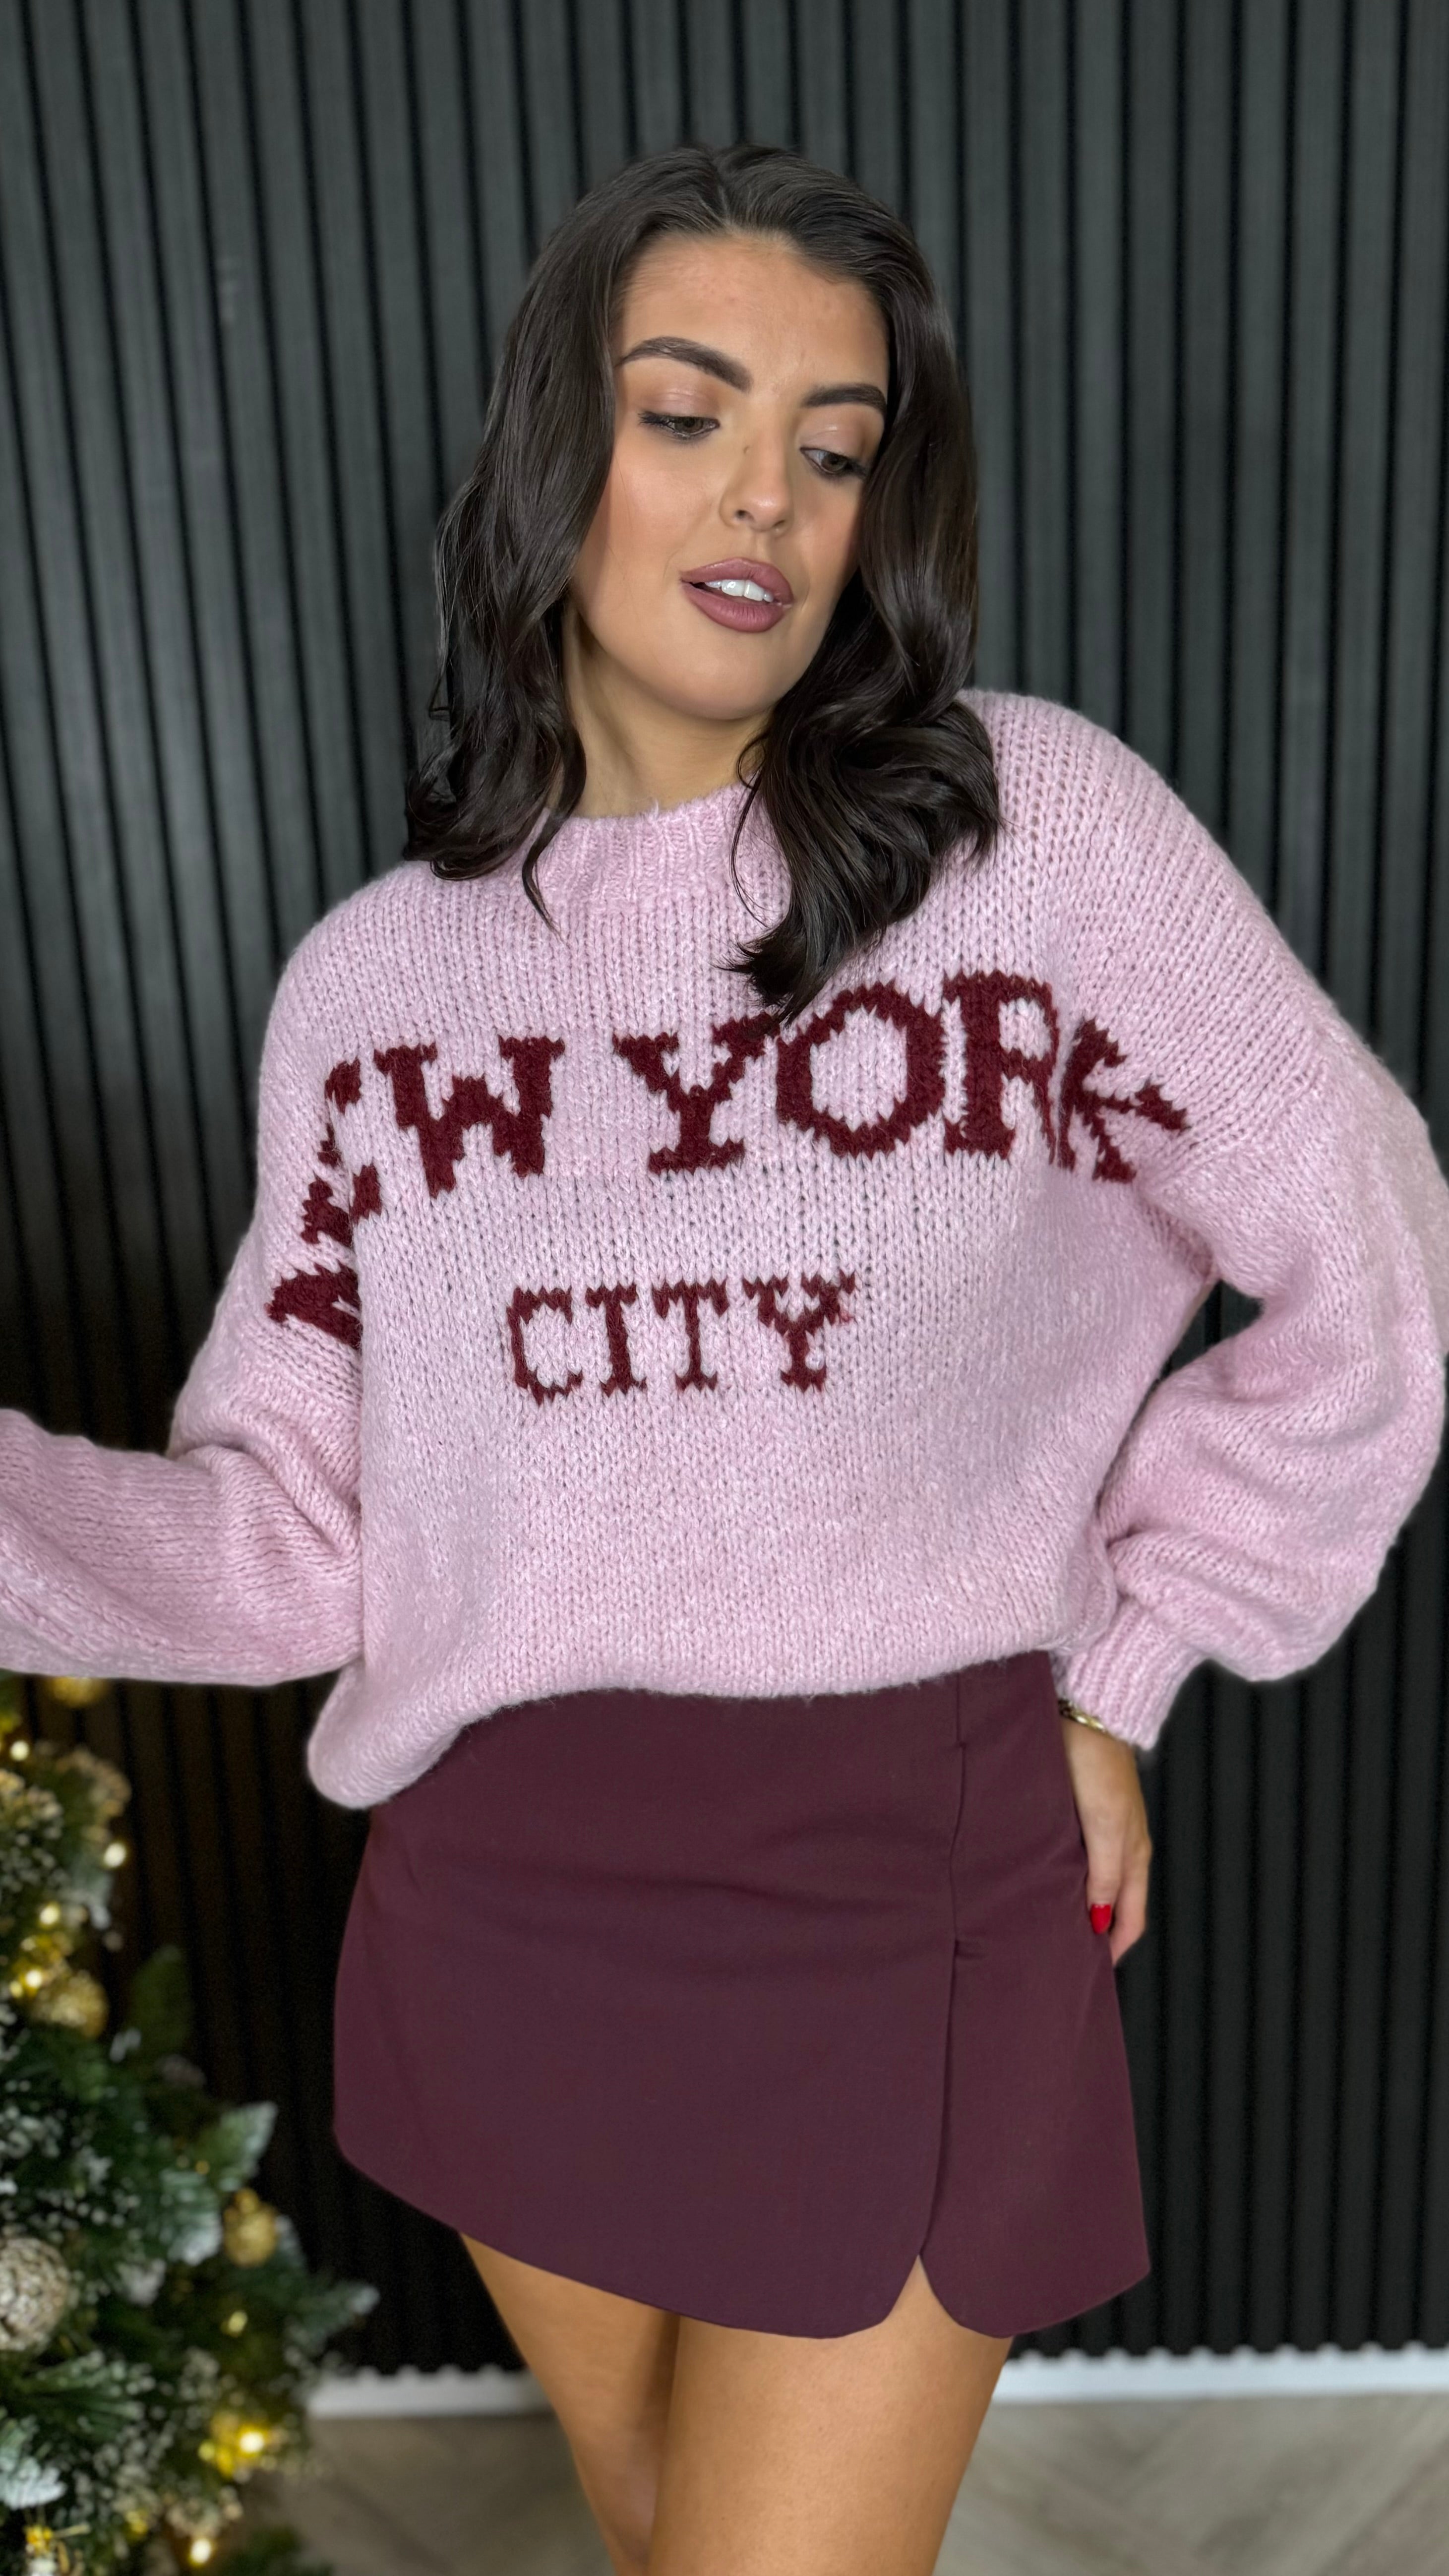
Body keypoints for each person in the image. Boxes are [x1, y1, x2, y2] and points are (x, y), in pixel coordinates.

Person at [1, 140, 1447, 2576]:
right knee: (678, 2537)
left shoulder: (1030, 846)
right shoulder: (373, 992)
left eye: (834, 444)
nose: (765, 493)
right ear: (553, 453)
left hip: (910, 1873)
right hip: (502, 1894)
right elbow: (289, 1537)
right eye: (685, 414)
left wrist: (1130, 1660)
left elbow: (1370, 1256)